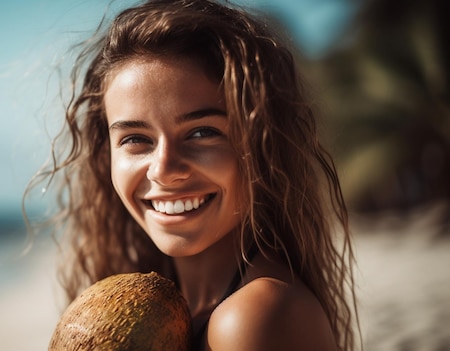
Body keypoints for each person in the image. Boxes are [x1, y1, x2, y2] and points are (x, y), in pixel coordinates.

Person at [25, 0, 359, 349]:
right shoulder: (171, 307)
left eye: (202, 132)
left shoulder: (253, 319)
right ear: (105, 152)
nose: (164, 170)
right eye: (136, 139)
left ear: (262, 143)